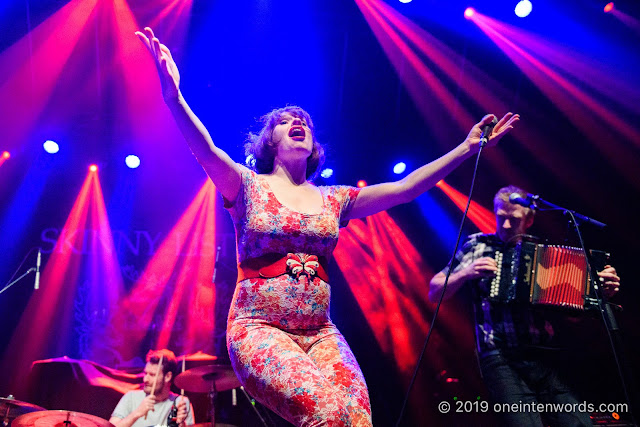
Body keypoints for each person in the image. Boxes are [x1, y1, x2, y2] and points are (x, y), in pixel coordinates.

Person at [135, 26, 519, 426]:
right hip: (258, 329)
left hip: (320, 332)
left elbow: (405, 189)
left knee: (357, 418)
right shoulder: (246, 185)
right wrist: (173, 97)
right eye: (285, 122)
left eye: (303, 120)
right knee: (326, 412)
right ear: (269, 141)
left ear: (314, 145)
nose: (296, 122)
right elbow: (207, 149)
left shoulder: (335, 199)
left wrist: (466, 148)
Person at [429, 185, 621, 427]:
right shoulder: (477, 245)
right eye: (501, 218)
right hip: (500, 357)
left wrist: (601, 290)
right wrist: (465, 273)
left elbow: (573, 315)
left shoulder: (544, 253)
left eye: (514, 219)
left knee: (578, 423)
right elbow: (434, 290)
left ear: (529, 219)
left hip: (546, 355)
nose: (507, 225)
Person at [110, 349, 194, 427]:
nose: (145, 379)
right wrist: (136, 413)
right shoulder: (131, 398)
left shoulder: (181, 403)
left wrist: (182, 424)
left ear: (168, 376)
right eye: (146, 373)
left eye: (152, 375)